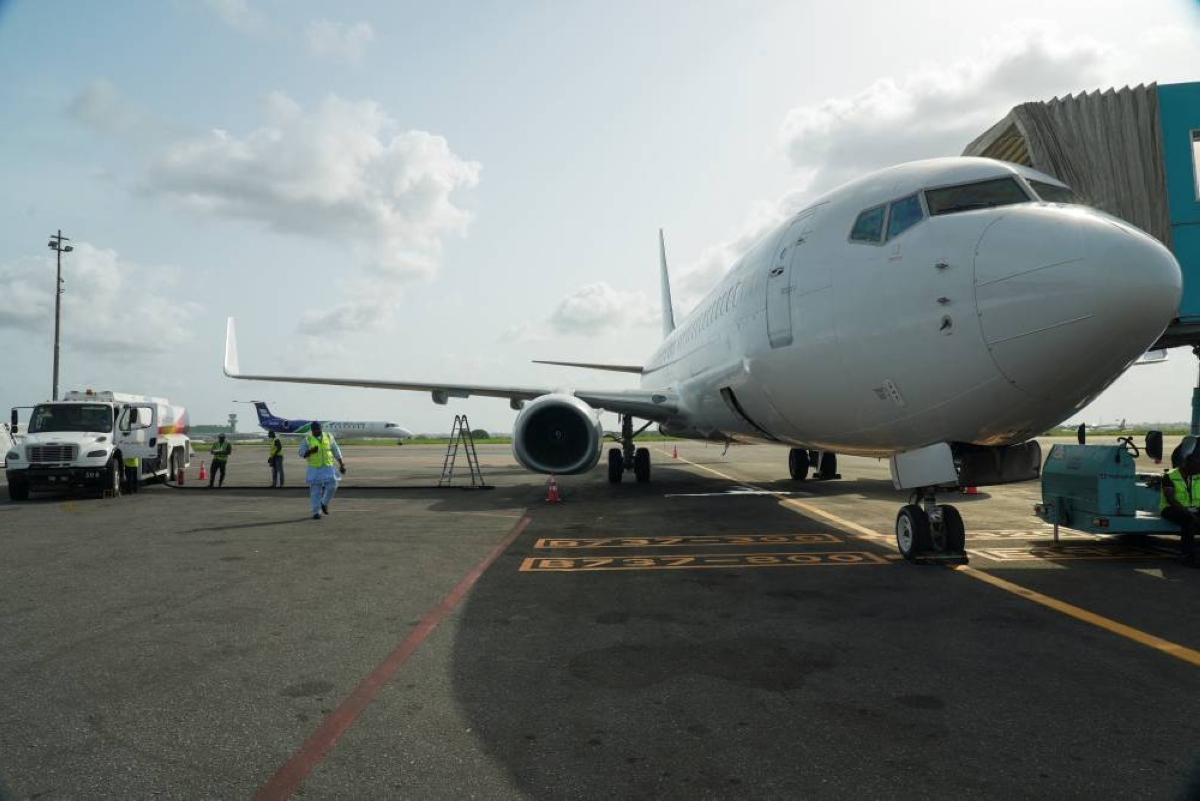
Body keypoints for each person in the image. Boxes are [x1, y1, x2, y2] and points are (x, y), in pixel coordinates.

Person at [1159, 450, 1200, 567]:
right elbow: (1170, 500)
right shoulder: (1170, 476)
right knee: (1188, 521)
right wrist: (1191, 515)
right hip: (1171, 509)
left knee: (1191, 519)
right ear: (1187, 464)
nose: (1198, 471)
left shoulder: (1197, 475)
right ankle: (1188, 557)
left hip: (1193, 509)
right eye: (1197, 467)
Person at [301, 421, 345, 519]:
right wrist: (310, 451)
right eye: (315, 429)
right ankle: (316, 512)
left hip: (328, 467)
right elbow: (302, 453)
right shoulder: (307, 439)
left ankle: (324, 503)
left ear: (321, 428)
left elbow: (335, 450)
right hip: (314, 469)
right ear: (312, 430)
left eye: (319, 429)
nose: (317, 431)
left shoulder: (329, 436)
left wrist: (341, 464)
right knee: (315, 491)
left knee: (333, 484)